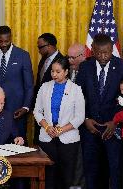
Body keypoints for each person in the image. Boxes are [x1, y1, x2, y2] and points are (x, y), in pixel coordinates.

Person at [76, 34, 123, 189]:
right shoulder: (85, 67)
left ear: (112, 50)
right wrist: (85, 119)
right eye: (99, 53)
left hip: (113, 129)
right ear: (93, 51)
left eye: (107, 52)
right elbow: (78, 97)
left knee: (115, 171)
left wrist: (115, 121)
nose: (103, 56)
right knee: (90, 172)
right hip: (90, 129)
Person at [34, 57, 85, 189]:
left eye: (58, 71)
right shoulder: (44, 87)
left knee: (66, 175)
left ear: (66, 71)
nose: (54, 74)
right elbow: (37, 111)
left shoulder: (76, 89)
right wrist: (47, 127)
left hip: (69, 140)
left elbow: (79, 117)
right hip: (47, 137)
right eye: (52, 71)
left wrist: (61, 130)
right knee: (48, 174)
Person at [0, 25, 34, 139]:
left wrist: (26, 107)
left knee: (18, 144)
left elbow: (29, 85)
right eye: (0, 41)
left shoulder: (23, 55)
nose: (3, 44)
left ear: (11, 38)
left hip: (17, 110)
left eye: (6, 41)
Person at [33, 33, 63, 144]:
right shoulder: (43, 60)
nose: (39, 50)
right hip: (40, 107)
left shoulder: (62, 61)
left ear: (49, 46)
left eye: (40, 47)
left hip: (52, 110)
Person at [67, 43, 87, 189]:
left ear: (83, 55)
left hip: (84, 123)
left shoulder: (89, 71)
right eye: (68, 57)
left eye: (73, 57)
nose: (70, 61)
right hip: (66, 123)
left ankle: (78, 185)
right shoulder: (69, 71)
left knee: (81, 157)